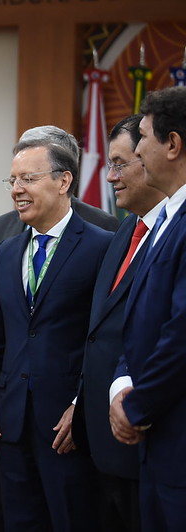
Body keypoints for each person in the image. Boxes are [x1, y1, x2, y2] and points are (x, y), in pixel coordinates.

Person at [0, 125, 119, 532]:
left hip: (67, 425)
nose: (17, 189)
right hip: (9, 423)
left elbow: (105, 337)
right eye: (12, 180)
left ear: (63, 180)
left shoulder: (103, 245)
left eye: (28, 179)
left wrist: (81, 404)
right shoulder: (6, 248)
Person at [70, 115, 165, 532]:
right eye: (108, 164)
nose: (110, 177)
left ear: (152, 157)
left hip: (144, 434)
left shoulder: (169, 234)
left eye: (121, 163)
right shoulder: (123, 232)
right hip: (99, 439)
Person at [109, 86, 186, 531]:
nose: (136, 150)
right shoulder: (162, 221)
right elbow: (139, 323)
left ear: (172, 145)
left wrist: (137, 407)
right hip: (158, 443)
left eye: (142, 137)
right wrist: (121, 387)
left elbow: (180, 334)